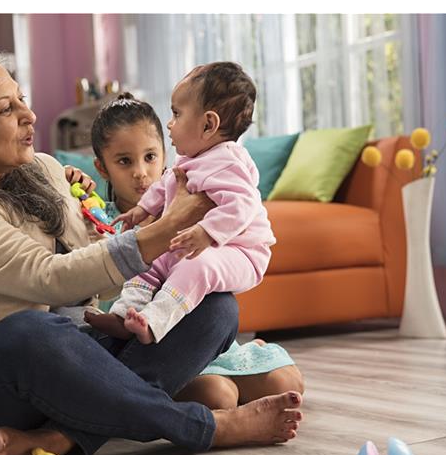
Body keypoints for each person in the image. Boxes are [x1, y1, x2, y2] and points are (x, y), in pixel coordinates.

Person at [0, 47, 303, 455]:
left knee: (216, 308)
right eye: (7, 109)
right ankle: (208, 427)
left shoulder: (44, 170)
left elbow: (95, 276)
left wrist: (146, 253)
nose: (29, 115)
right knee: (32, 332)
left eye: (21, 98)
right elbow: (50, 279)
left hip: (66, 359)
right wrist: (168, 225)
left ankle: (57, 438)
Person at [83, 92, 304, 409]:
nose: (140, 172)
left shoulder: (192, 195)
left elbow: (218, 260)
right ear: (102, 168)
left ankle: (232, 359)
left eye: (150, 157)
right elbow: (91, 277)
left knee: (287, 382)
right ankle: (196, 393)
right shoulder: (100, 221)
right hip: (149, 344)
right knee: (218, 396)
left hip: (194, 329)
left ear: (166, 154)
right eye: (124, 161)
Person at [90, 62, 274, 347]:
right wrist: (143, 209)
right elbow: (166, 184)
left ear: (208, 125)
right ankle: (124, 312)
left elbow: (243, 204)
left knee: (196, 266)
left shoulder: (228, 161)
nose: (170, 123)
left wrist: (207, 232)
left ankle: (154, 321)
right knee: (149, 259)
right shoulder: (190, 160)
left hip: (241, 251)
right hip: (199, 245)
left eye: (177, 114)